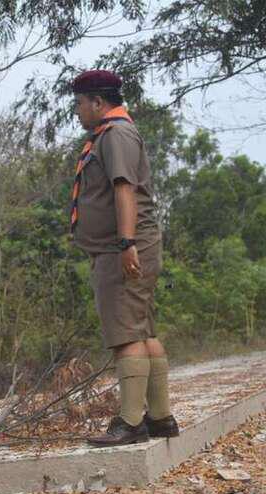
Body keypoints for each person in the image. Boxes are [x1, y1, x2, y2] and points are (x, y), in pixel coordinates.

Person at [67, 70, 181, 446]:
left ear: (98, 102)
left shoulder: (116, 134)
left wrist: (126, 243)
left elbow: (124, 189)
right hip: (123, 246)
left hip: (123, 248)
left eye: (80, 103)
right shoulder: (110, 134)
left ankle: (130, 423)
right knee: (142, 331)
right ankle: (160, 418)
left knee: (125, 335)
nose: (77, 111)